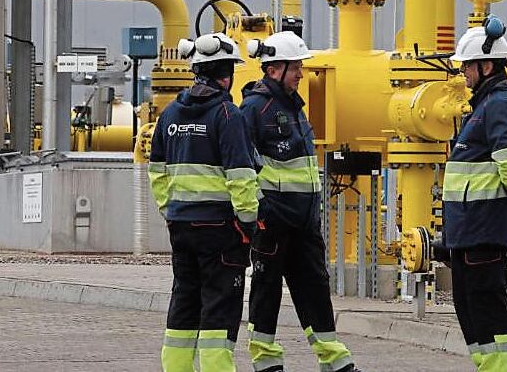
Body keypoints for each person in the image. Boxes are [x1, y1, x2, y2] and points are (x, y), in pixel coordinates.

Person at [239, 30, 359, 372]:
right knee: (266, 290)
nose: (301, 74)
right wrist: (262, 211)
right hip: (273, 221)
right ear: (275, 68)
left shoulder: (294, 109)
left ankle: (333, 359)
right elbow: (242, 166)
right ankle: (265, 361)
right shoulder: (253, 109)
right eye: (296, 67)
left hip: (304, 221)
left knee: (315, 288)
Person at [149, 32, 258, 372]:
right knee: (219, 308)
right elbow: (241, 176)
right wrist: (249, 224)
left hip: (181, 226)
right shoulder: (228, 115)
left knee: (184, 302)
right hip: (221, 229)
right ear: (226, 74)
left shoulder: (169, 116)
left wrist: (172, 213)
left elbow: (157, 172)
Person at [441, 20, 507, 372]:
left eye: (466, 66)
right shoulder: (485, 104)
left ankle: (498, 368)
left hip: (483, 226)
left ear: (486, 65)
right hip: (470, 227)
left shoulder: (498, 104)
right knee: (469, 304)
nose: (463, 73)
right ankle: (488, 366)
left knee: (485, 301)